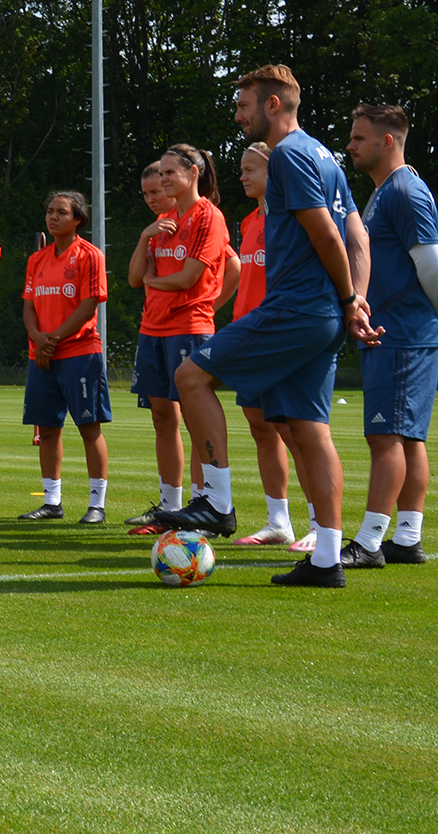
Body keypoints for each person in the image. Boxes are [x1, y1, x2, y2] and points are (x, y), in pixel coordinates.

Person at [168, 65, 376, 588]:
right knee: (308, 432)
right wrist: (354, 302)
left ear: (275, 105)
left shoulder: (288, 156)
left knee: (191, 377)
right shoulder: (327, 157)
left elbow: (329, 236)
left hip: (295, 310)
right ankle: (327, 561)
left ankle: (216, 502)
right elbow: (359, 237)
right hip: (323, 314)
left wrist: (350, 297)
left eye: (244, 106)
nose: (238, 116)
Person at [340, 103, 438, 567]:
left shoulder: (405, 192)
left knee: (387, 437)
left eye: (358, 138)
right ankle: (407, 538)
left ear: (387, 141)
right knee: (408, 438)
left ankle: (370, 542)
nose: (350, 145)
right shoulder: (387, 191)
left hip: (401, 335)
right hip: (396, 331)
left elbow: (431, 262)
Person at [123, 145, 234, 533]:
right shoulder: (165, 220)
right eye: (162, 173)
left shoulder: (209, 216)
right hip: (152, 328)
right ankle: (169, 507)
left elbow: (189, 277)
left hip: (189, 326)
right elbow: (135, 277)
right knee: (162, 417)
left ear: (194, 173)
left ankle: (206, 505)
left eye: (171, 172)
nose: (164, 178)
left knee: (194, 419)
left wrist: (208, 304)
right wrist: (144, 235)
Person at [226, 143, 305, 547]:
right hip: (250, 334)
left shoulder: (289, 218)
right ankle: (279, 522)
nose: (242, 175)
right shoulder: (249, 220)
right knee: (261, 429)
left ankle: (319, 526)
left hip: (279, 335)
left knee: (295, 431)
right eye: (241, 169)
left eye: (250, 169)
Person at [16, 191, 112, 523]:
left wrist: (54, 339)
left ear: (78, 220)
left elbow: (90, 304)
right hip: (41, 355)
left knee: (89, 427)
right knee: (48, 429)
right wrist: (38, 339)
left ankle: (96, 505)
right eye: (49, 211)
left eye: (61, 212)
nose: (53, 217)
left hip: (79, 352)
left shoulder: (90, 256)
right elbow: (28, 306)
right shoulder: (37, 260)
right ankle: (52, 503)